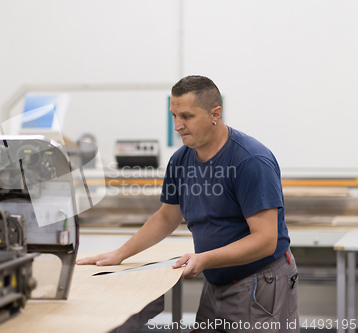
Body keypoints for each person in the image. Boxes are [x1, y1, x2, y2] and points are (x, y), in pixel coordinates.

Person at [77, 75, 299, 333]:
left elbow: (265, 240)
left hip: (260, 284)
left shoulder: (250, 161)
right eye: (173, 116)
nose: (177, 126)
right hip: (217, 281)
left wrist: (203, 259)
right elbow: (167, 217)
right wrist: (120, 253)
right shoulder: (181, 160)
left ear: (215, 113)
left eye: (186, 116)